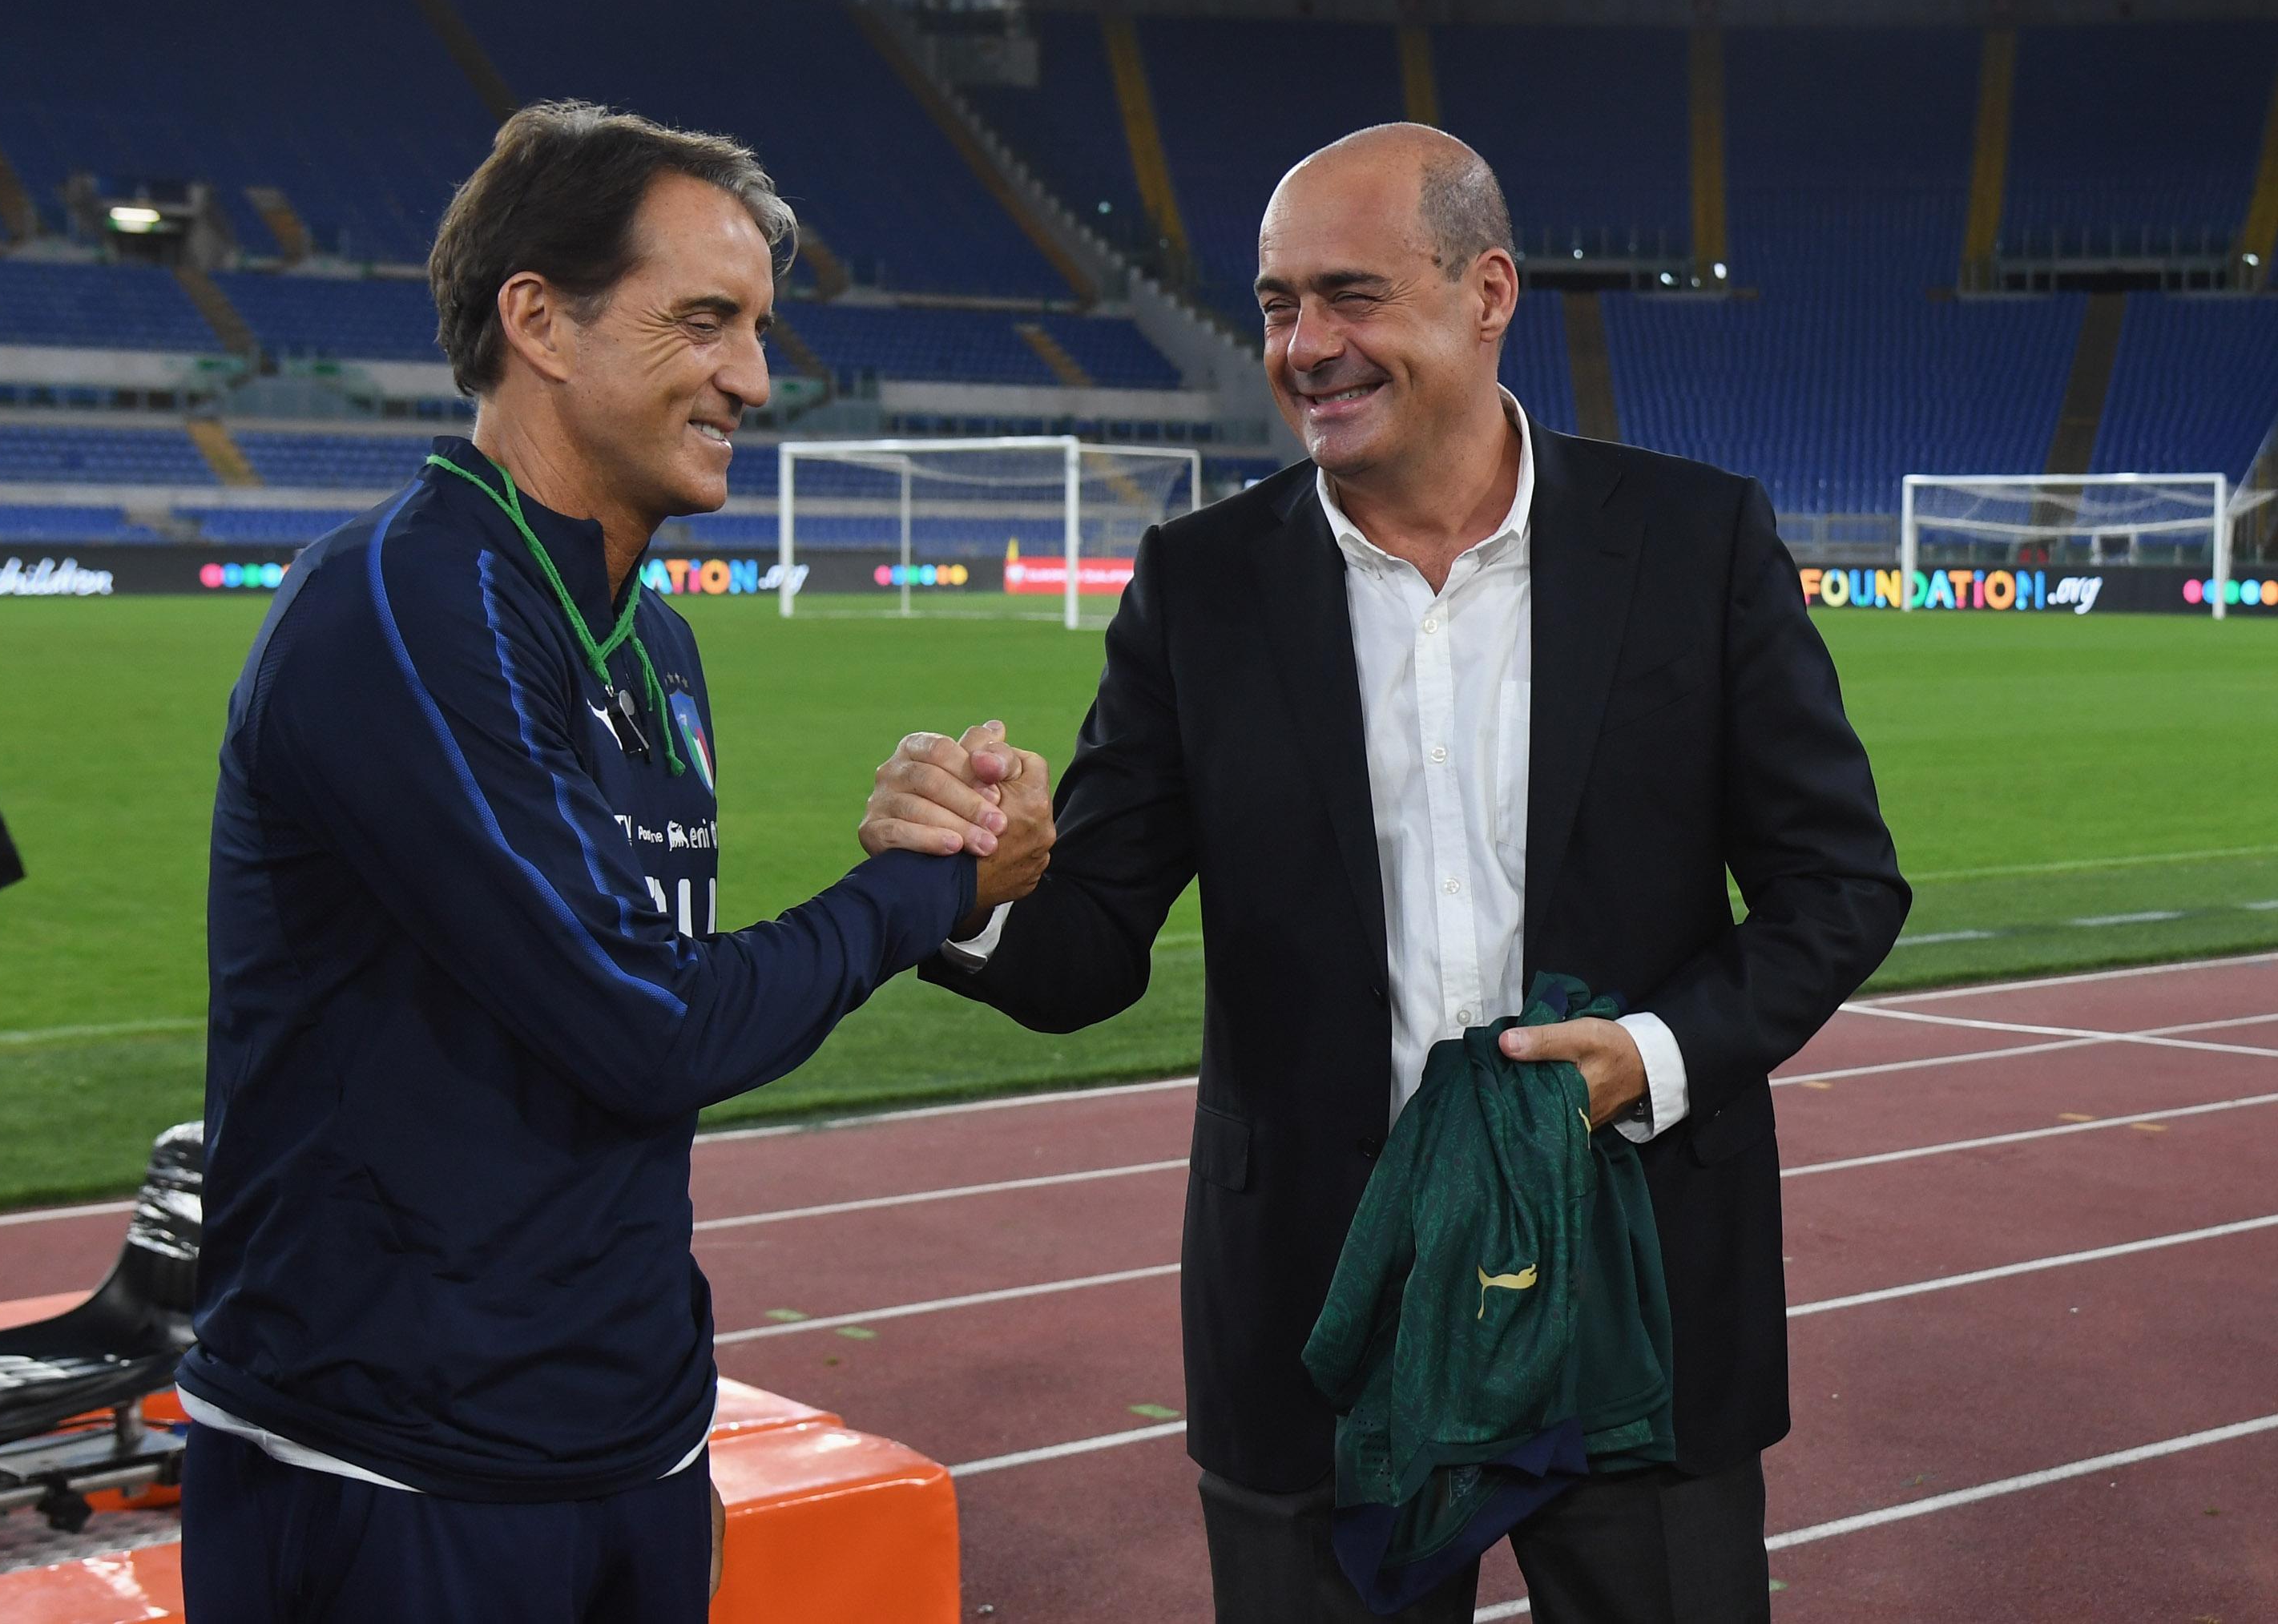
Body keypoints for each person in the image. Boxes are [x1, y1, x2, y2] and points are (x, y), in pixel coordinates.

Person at [873, 124, 1911, 1622]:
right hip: (1318, 1307)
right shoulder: (1202, 583)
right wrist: (966, 879)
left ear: (1488, 291)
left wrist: (1650, 1056)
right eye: (1278, 302)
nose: (1304, 346)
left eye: (1349, 296)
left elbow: (1839, 886)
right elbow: (1087, 943)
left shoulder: (1695, 541)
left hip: (1634, 1276)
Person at [179, 102, 1051, 1624]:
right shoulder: (401, 607)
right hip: (389, 1467)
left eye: (760, 331)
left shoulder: (655, 640)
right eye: (703, 321)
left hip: (628, 1436)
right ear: (541, 320)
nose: (753, 380)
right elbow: (648, 1024)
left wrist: (929, 835)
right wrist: (935, 885)